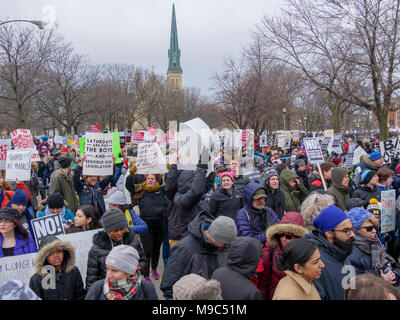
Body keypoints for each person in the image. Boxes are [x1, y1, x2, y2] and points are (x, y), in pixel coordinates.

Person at [160, 214, 237, 300]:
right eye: (226, 244)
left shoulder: (220, 247)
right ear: (215, 238)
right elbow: (169, 286)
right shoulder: (184, 249)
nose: (228, 247)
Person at [85, 208, 146, 290]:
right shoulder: (96, 250)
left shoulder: (133, 242)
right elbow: (91, 278)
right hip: (107, 291)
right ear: (107, 231)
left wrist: (136, 268)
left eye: (122, 229)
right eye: (115, 231)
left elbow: (143, 261)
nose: (120, 233)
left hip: (132, 288)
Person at [123, 171, 167, 282]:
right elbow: (128, 185)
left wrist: (168, 168)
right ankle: (146, 275)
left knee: (156, 250)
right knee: (147, 251)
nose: (150, 180)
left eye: (152, 178)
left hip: (159, 225)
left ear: (157, 180)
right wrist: (132, 172)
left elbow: (171, 185)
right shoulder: (140, 191)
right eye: (148, 178)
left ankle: (155, 269)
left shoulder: (161, 190)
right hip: (146, 226)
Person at [305, 205, 355, 300]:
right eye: (346, 230)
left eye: (352, 229)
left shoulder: (343, 250)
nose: (352, 234)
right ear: (329, 233)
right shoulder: (316, 261)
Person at [258, 212, 308, 299]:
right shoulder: (271, 249)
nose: (283, 238)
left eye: (288, 236)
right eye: (281, 234)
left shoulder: (306, 253)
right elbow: (264, 280)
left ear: (298, 237)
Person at [345, 207, 399, 284]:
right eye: (369, 228)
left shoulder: (376, 244)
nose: (374, 231)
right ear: (355, 230)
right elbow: (353, 287)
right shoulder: (350, 254)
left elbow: (388, 266)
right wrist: (383, 280)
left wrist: (394, 275)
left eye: (375, 227)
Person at [85, 245, 158, 300]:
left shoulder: (146, 288)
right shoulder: (97, 288)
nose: (109, 275)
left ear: (129, 272)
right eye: (108, 269)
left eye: (114, 270)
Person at [29, 235, 85, 300]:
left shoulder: (73, 271)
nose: (56, 255)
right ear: (44, 257)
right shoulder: (36, 280)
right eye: (51, 253)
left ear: (64, 252)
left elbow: (80, 296)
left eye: (59, 251)